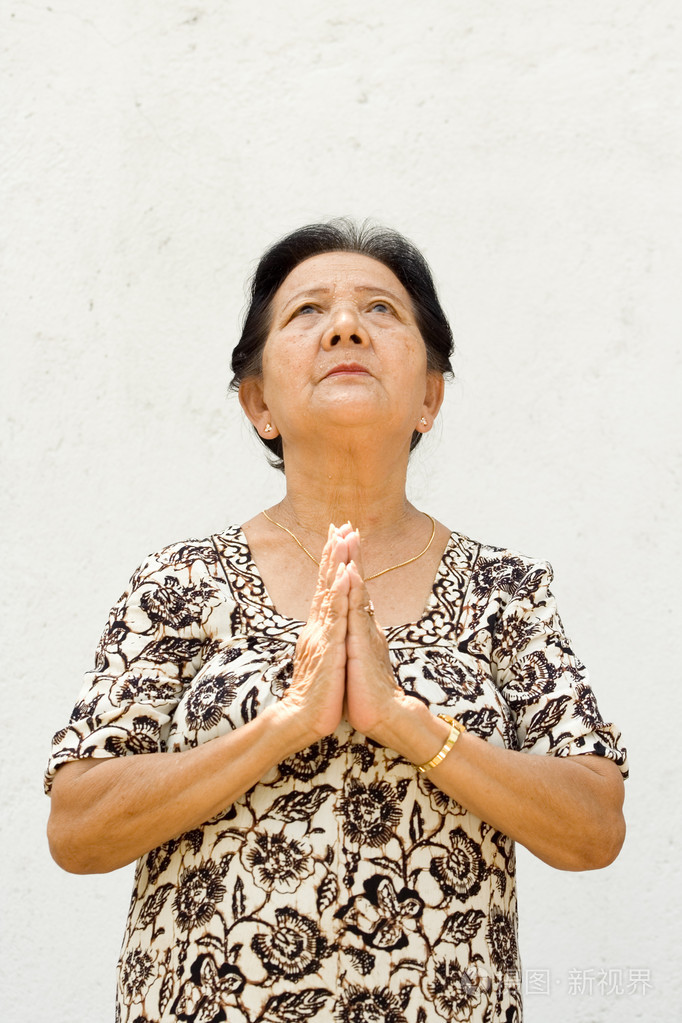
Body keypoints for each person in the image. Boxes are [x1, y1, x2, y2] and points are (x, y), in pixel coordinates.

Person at [46, 220, 627, 1023]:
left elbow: (593, 825)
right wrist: (282, 723)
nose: (346, 326)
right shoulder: (178, 582)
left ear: (429, 396)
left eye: (381, 310)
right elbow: (79, 828)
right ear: (259, 403)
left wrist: (406, 721)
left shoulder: (507, 589)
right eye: (307, 311)